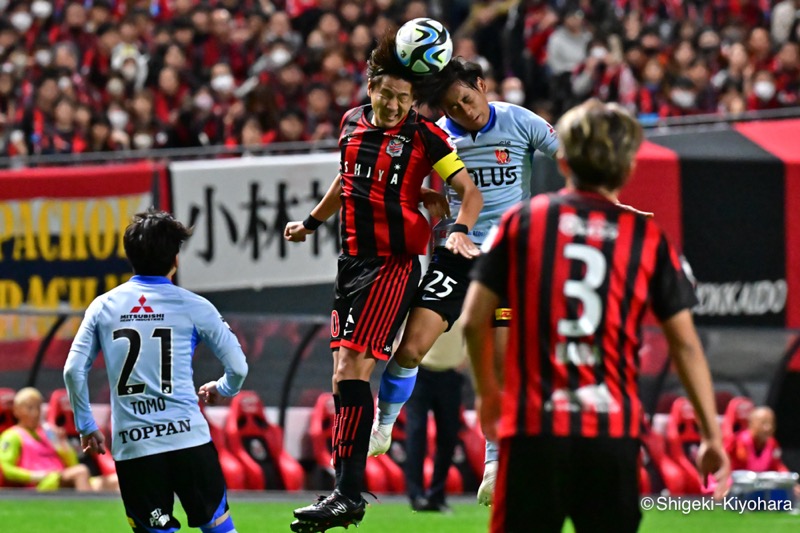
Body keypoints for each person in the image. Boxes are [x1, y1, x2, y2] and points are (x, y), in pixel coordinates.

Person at [462, 99, 730, 533]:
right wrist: (711, 436)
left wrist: (488, 395)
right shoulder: (648, 238)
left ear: (562, 160)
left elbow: (476, 320)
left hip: (533, 431)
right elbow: (684, 344)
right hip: (612, 433)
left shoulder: (520, 221)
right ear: (628, 168)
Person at [283, 30, 482, 533]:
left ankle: (347, 492)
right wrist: (311, 222)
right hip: (350, 261)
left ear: (414, 100)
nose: (393, 105)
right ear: (369, 88)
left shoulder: (424, 136)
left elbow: (466, 188)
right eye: (386, 94)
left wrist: (458, 227)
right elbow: (344, 179)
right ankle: (345, 491)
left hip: (393, 262)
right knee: (343, 374)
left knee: (353, 366)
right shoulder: (351, 122)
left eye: (403, 97)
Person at [367, 57, 559, 508]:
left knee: (495, 369)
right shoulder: (440, 137)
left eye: (467, 100)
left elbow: (570, 156)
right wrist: (426, 195)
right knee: (412, 347)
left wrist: (604, 202)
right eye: (452, 108)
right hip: (456, 252)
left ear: (481, 85)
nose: (464, 112)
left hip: (506, 261)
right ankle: (384, 423)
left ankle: (494, 466)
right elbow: (396, 184)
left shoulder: (520, 120)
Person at [63, 209, 248, 533]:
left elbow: (73, 370)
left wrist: (86, 424)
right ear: (175, 258)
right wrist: (224, 388)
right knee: (219, 528)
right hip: (188, 439)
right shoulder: (194, 305)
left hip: (134, 446)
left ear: (130, 256)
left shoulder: (104, 306)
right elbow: (238, 367)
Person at [404, 321, 467, 513]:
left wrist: (465, 360)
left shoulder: (467, 294)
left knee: (448, 436)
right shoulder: (420, 290)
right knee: (416, 433)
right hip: (419, 370)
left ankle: (437, 495)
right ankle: (416, 496)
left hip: (451, 373)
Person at [0, 387, 116, 491]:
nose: (35, 413)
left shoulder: (48, 433)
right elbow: (6, 470)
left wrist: (63, 443)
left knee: (114, 480)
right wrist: (37, 476)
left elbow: (73, 464)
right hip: (41, 485)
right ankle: (88, 512)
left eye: (38, 408)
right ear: (16, 411)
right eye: (29, 408)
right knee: (81, 472)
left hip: (62, 478)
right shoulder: (12, 436)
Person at [728, 406, 790, 472]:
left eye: (771, 423)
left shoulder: (773, 444)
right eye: (763, 423)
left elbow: (777, 465)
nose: (768, 428)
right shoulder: (737, 442)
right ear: (751, 424)